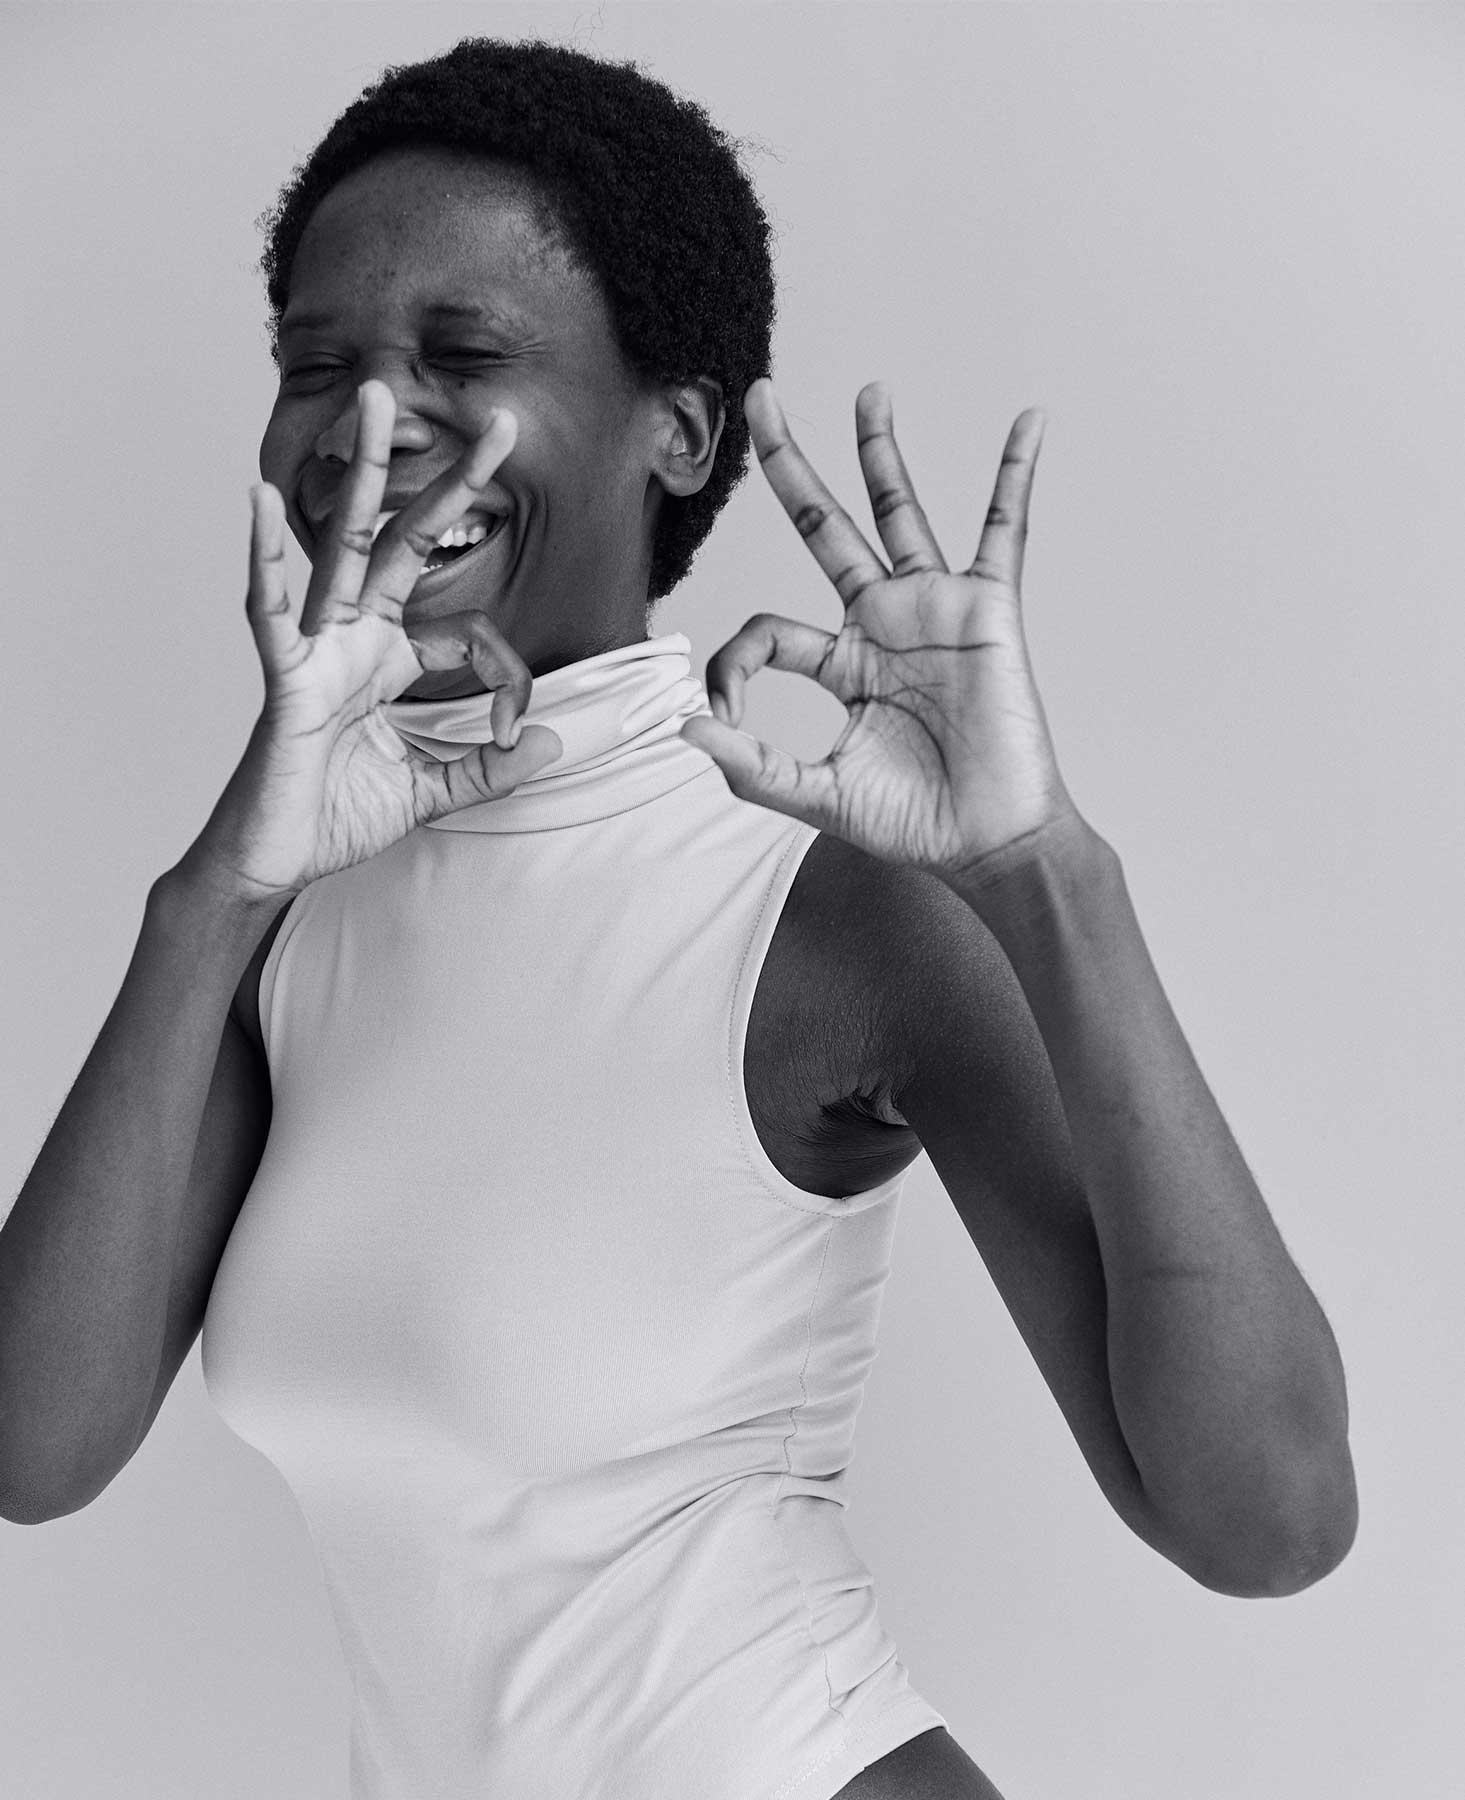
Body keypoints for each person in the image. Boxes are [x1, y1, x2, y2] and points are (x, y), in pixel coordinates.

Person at [0, 35, 1357, 1800]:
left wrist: (1043, 875)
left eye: (464, 357)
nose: (368, 424)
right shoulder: (290, 913)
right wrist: (209, 900)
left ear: (682, 430)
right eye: (317, 363)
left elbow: (1266, 1519)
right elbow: (36, 1452)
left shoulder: (817, 906)